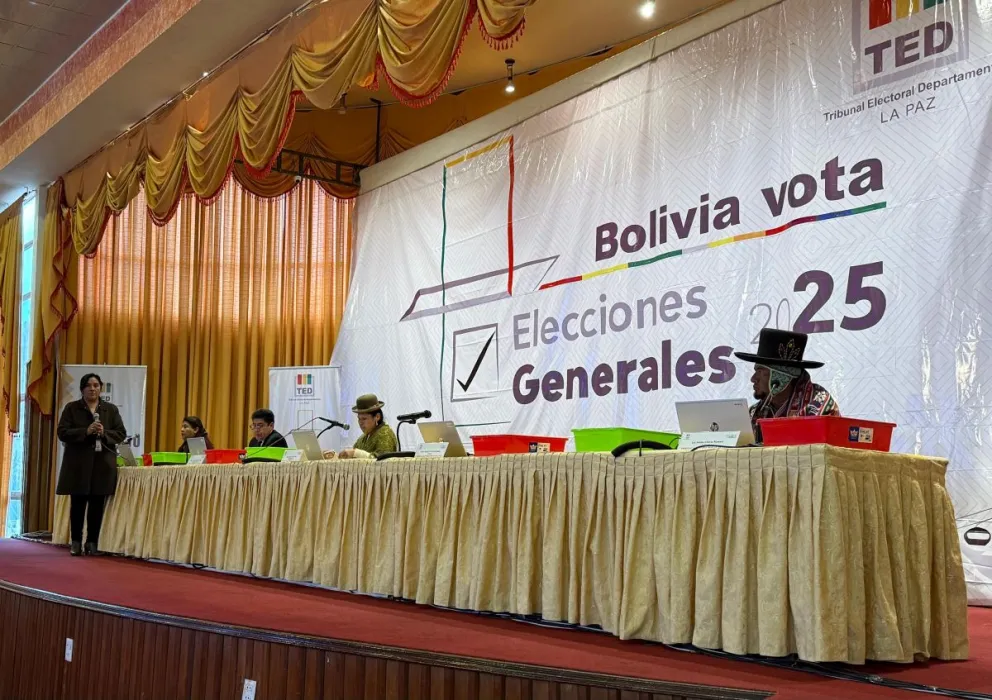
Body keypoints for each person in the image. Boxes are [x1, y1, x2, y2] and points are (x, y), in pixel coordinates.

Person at [55, 373, 127, 556]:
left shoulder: (110, 410)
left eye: (96, 385)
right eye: (89, 385)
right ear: (82, 389)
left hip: (102, 465)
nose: (93, 389)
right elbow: (62, 432)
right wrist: (85, 431)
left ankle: (92, 542)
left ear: (100, 388)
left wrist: (104, 433)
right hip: (78, 464)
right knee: (78, 505)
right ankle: (76, 542)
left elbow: (121, 433)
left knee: (97, 505)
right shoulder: (72, 408)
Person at [734, 328, 839, 444]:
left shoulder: (818, 405)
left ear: (779, 377)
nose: (753, 379)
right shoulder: (756, 412)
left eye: (760, 371)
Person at [338, 394, 398, 459]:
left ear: (377, 417)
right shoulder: (362, 438)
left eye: (364, 419)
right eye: (359, 419)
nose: (360, 423)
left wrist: (355, 453)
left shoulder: (385, 434)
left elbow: (383, 461)